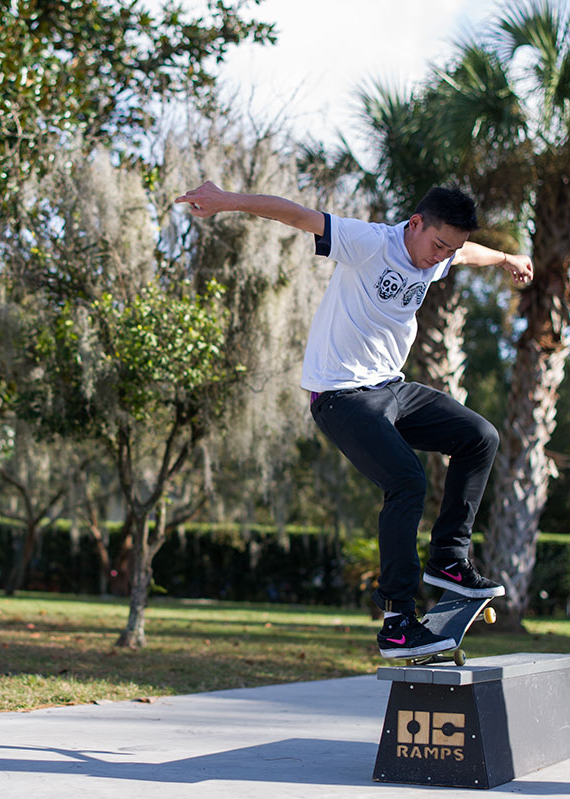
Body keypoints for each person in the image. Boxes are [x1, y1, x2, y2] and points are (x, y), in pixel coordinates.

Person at [175, 181, 533, 659]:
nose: (439, 257)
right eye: (437, 245)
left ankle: (448, 560)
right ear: (415, 224)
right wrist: (228, 200)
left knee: (479, 436)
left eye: (450, 249)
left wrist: (507, 260)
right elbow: (296, 214)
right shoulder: (369, 243)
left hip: (392, 389)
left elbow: (472, 255)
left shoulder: (446, 254)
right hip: (340, 395)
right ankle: (398, 621)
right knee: (407, 481)